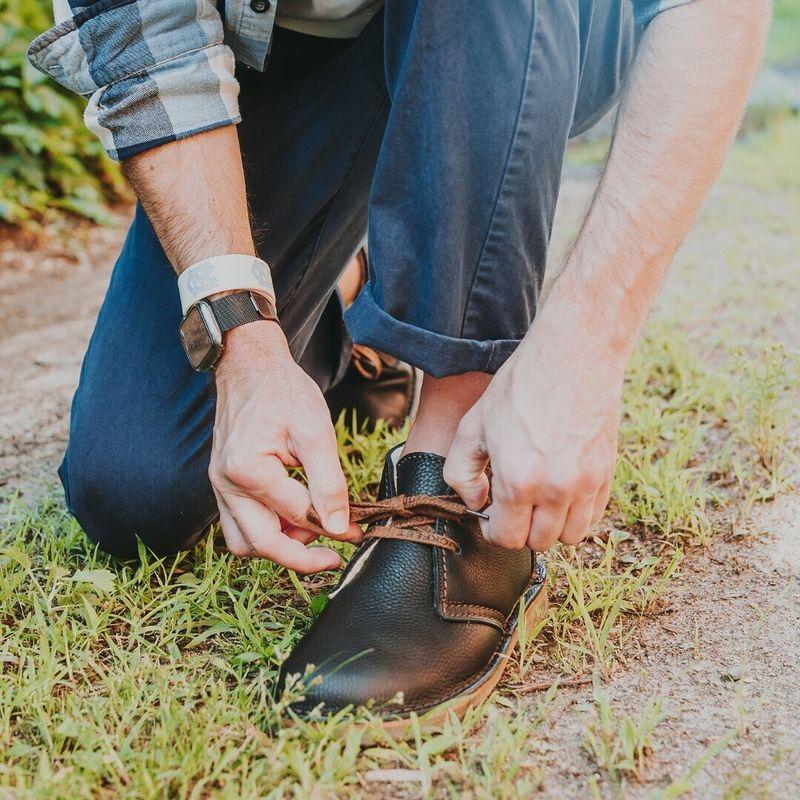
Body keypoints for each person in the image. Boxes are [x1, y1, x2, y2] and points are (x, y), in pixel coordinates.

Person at [29, 0, 769, 722]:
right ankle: (351, 307)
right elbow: (147, 38)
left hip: (528, 31)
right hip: (296, 59)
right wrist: (246, 346)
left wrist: (585, 345)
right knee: (136, 489)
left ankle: (454, 479)